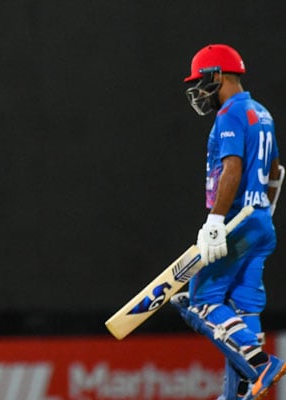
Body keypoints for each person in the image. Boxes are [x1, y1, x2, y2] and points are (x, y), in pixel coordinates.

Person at [170, 44, 286, 400]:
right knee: (242, 309)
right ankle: (242, 394)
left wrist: (217, 221)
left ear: (219, 75)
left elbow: (232, 168)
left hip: (236, 224)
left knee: (201, 301)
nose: (200, 90)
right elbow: (277, 172)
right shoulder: (262, 112)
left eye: (203, 80)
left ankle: (259, 363)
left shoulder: (231, 114)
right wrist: (263, 213)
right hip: (259, 223)